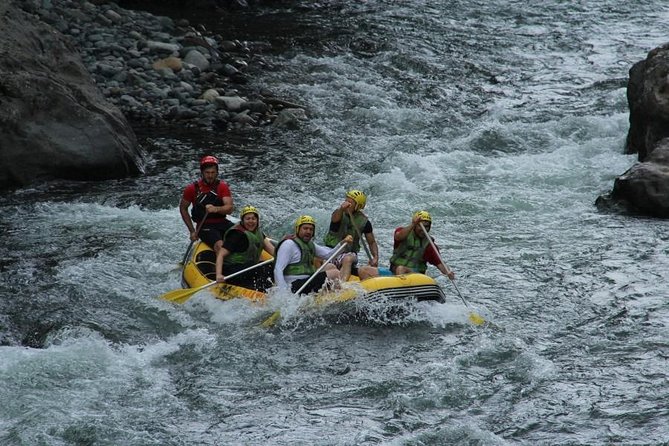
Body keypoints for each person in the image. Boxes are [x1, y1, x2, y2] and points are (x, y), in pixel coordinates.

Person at [274, 215, 353, 295]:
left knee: (330, 266)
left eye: (311, 229)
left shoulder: (310, 245)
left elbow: (329, 255)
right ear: (298, 229)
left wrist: (343, 243)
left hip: (306, 282)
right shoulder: (288, 244)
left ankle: (331, 294)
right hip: (293, 286)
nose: (308, 231)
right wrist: (283, 292)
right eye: (305, 228)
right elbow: (278, 269)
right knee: (335, 273)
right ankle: (340, 295)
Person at [179, 155, 234, 255]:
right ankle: (224, 268)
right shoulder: (192, 189)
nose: (210, 176)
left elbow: (229, 208)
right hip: (204, 226)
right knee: (220, 246)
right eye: (207, 173)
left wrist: (216, 209)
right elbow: (183, 208)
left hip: (223, 223)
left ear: (217, 173)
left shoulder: (222, 187)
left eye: (213, 173)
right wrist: (192, 231)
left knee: (244, 235)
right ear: (202, 173)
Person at [215, 205, 276, 291]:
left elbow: (274, 252)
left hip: (247, 268)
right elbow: (221, 255)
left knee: (270, 266)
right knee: (261, 269)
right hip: (232, 270)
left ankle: (267, 288)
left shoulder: (259, 233)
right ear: (243, 221)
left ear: (257, 220)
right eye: (247, 219)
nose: (251, 221)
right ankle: (260, 290)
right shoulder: (236, 234)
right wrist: (218, 275)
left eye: (253, 219)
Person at [323, 189, 379, 281]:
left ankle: (342, 283)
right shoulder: (339, 213)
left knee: (348, 259)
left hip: (348, 253)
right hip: (331, 250)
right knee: (324, 262)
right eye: (346, 200)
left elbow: (372, 242)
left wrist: (375, 257)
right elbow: (334, 219)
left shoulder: (364, 222)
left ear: (358, 206)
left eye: (350, 202)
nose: (346, 203)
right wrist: (341, 209)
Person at [389, 210, 455, 279]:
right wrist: (413, 224)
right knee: (398, 269)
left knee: (401, 269)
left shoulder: (429, 245)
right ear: (415, 225)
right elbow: (398, 236)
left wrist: (448, 272)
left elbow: (440, 264)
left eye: (427, 227)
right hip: (395, 269)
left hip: (417, 274)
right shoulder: (403, 233)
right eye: (420, 226)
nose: (424, 229)